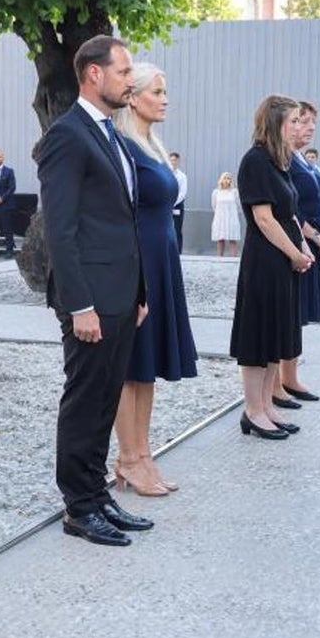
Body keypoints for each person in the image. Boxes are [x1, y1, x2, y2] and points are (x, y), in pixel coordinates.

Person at [37, 34, 153, 546]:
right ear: (94, 74)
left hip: (120, 294)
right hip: (90, 300)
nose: (131, 81)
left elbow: (121, 220)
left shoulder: (109, 134)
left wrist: (139, 292)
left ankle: (97, 493)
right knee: (85, 400)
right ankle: (79, 507)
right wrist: (80, 304)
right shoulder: (67, 136)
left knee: (106, 399)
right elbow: (59, 230)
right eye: (124, 72)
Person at [112, 62, 198, 496]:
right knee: (129, 366)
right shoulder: (124, 145)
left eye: (165, 92)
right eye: (157, 92)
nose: (165, 100)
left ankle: (142, 454)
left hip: (161, 259)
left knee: (146, 367)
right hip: (139, 260)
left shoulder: (150, 144)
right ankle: (127, 458)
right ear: (133, 97)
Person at [230, 94, 313, 440]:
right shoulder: (256, 161)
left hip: (283, 261)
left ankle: (266, 406)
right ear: (276, 122)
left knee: (275, 334)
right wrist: (294, 253)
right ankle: (253, 410)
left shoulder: (279, 161)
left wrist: (302, 246)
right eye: (293, 120)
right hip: (265, 260)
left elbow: (288, 213)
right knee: (258, 335)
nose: (298, 126)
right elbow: (264, 219)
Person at [280, 101, 320, 405]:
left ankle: (290, 377)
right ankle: (281, 381)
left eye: (313, 122)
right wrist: (313, 236)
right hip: (299, 241)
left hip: (314, 240)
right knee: (289, 312)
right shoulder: (285, 158)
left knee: (297, 314)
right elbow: (291, 207)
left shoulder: (301, 158)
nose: (310, 127)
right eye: (303, 120)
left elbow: (317, 200)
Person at [211, 172, 242, 257]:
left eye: (229, 178)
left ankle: (234, 259)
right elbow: (214, 206)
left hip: (231, 218)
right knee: (220, 240)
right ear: (221, 180)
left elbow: (238, 205)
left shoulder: (234, 192)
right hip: (220, 219)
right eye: (225, 178)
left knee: (233, 239)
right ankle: (219, 259)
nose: (227, 180)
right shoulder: (216, 192)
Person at [169, 151, 188, 253]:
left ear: (178, 161)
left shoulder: (182, 176)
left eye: (175, 160)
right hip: (165, 205)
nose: (173, 162)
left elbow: (182, 193)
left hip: (177, 206)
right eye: (171, 160)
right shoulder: (166, 173)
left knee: (177, 229)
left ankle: (178, 252)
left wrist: (172, 203)